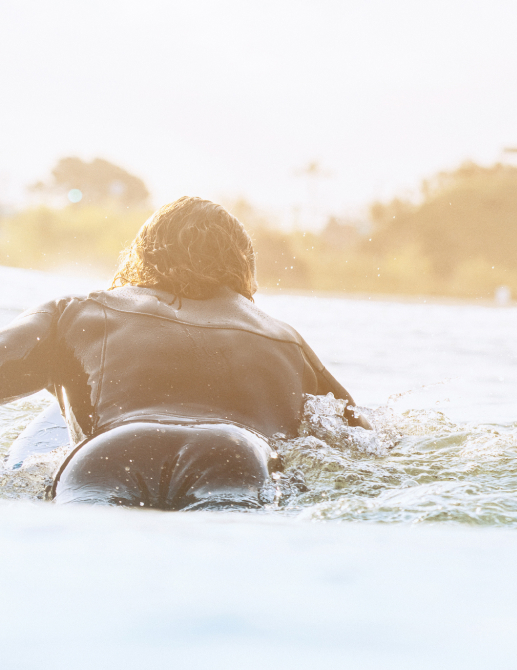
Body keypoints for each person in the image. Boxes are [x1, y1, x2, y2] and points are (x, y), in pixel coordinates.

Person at [0, 196, 364, 509]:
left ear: (140, 255)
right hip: (236, 457)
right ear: (245, 269)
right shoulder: (286, 339)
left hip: (110, 454)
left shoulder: (74, 310)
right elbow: (361, 438)